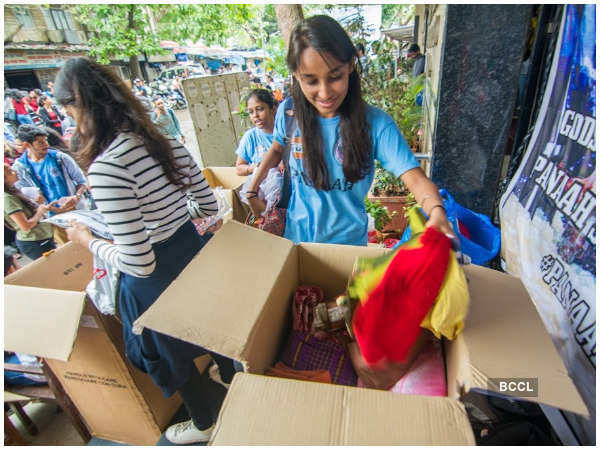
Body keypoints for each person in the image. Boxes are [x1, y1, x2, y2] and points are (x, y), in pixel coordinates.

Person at [53, 57, 237, 445]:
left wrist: (88, 242)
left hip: (152, 278)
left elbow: (139, 261)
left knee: (170, 352)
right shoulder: (166, 143)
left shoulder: (107, 168)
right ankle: (234, 381)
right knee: (210, 327)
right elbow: (206, 207)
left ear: (80, 104)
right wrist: (170, 217)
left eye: (67, 109)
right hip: (193, 252)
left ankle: (203, 422)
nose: (69, 120)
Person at [247, 15, 454, 246]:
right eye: (311, 81)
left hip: (346, 249)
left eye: (335, 77)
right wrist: (252, 190)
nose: (325, 93)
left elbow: (415, 179)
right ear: (296, 75)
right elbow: (277, 148)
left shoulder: (376, 124)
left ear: (350, 66)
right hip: (296, 243)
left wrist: (436, 211)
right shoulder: (288, 113)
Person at [12, 125, 88, 216]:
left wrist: (76, 197)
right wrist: (34, 199)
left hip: (76, 211)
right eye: (40, 142)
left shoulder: (60, 158)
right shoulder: (20, 168)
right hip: (49, 217)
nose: (46, 145)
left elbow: (82, 181)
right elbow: (21, 193)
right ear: (27, 145)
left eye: (46, 140)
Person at [4, 163, 58, 260]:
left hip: (42, 236)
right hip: (34, 241)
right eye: (10, 172)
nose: (15, 172)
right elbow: (25, 226)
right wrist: (40, 211)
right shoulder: (7, 198)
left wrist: (39, 206)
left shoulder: (12, 190)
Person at [235, 89, 277, 176]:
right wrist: (254, 167)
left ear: (272, 110)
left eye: (260, 109)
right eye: (251, 112)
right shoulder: (250, 137)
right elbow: (239, 168)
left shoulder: (285, 133)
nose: (255, 115)